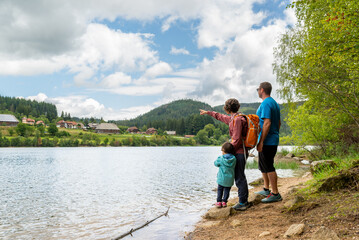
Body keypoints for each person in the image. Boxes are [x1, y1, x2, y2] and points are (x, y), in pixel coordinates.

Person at [200, 98, 250, 211]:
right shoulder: (234, 118)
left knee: (239, 177)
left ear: (227, 109)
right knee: (239, 176)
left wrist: (226, 151)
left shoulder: (237, 120)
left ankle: (243, 202)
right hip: (240, 152)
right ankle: (243, 200)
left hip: (240, 153)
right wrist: (209, 113)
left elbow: (236, 140)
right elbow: (220, 116)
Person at [255, 82, 282, 203]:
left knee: (269, 166)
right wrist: (274, 133)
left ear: (262, 90)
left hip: (267, 141)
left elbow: (267, 123)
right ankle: (266, 189)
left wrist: (261, 141)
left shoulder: (266, 103)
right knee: (263, 165)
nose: (257, 91)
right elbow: (279, 123)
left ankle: (275, 193)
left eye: (258, 89)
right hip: (272, 138)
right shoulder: (274, 103)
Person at [214, 142, 236, 208]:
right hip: (230, 179)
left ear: (223, 150)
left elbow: (215, 164)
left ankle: (219, 202)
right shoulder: (234, 159)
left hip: (221, 179)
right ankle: (224, 202)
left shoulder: (221, 158)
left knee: (220, 190)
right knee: (227, 190)